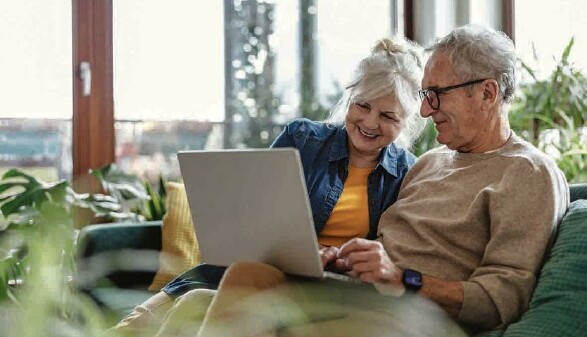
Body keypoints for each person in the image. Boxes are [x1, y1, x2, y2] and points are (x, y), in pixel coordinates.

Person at [151, 24, 569, 337]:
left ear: (488, 93)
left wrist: (404, 279)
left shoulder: (529, 173)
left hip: (411, 315)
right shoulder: (429, 164)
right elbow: (387, 245)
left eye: (436, 95)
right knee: (196, 300)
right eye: (425, 96)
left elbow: (503, 296)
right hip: (355, 291)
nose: (425, 112)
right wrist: (345, 257)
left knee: (244, 283)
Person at [109, 36, 426, 336]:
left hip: (324, 288)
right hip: (250, 269)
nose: (370, 122)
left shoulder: (408, 173)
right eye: (363, 106)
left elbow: (391, 257)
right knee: (135, 325)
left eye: (387, 116)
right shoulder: (302, 139)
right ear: (349, 99)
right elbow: (253, 219)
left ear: (407, 121)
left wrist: (341, 259)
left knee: (190, 306)